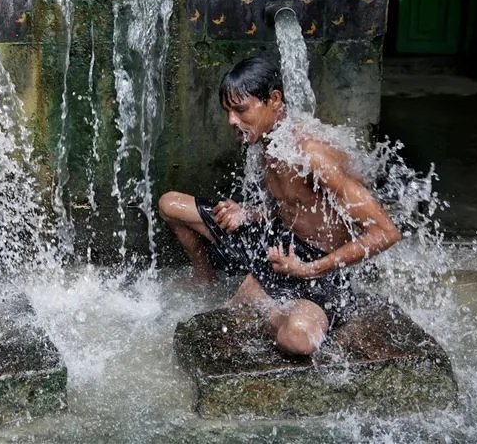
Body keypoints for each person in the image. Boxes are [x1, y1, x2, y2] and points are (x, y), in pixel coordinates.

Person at [158, 55, 402, 356]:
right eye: (228, 111)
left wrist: (311, 269)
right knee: (170, 204)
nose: (231, 121)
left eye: (240, 110)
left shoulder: (312, 155)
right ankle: (208, 277)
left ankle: (266, 304)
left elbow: (386, 232)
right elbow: (292, 206)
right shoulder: (268, 141)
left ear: (274, 100)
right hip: (279, 244)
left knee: (296, 340)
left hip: (320, 267)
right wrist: (248, 212)